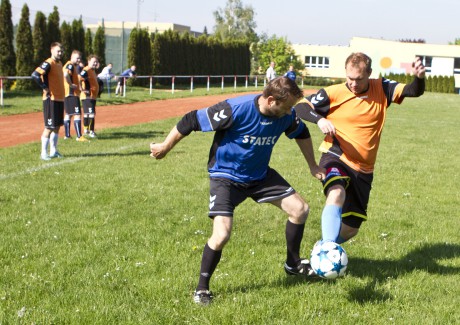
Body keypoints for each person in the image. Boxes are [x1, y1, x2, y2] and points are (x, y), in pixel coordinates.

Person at [150, 77, 325, 306]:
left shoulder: (286, 116)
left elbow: (300, 133)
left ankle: (292, 264)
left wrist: (313, 165)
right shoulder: (235, 109)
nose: (291, 112)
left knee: (300, 209)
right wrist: (165, 146)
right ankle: (202, 289)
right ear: (271, 100)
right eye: (288, 106)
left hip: (260, 176)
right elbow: (191, 119)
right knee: (222, 234)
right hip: (226, 178)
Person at [294, 52, 426, 253]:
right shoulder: (334, 93)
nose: (353, 84)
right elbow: (301, 107)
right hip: (336, 156)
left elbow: (413, 91)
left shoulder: (382, 88)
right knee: (336, 192)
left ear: (369, 73)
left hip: (364, 169)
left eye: (359, 79)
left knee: (350, 229)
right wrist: (319, 119)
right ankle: (328, 253)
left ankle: (322, 249)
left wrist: (419, 78)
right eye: (349, 78)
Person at [31, 42, 66, 160]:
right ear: (52, 50)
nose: (60, 53)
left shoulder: (60, 63)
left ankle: (53, 151)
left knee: (57, 127)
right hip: (50, 99)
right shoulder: (48, 63)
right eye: (58, 51)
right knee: (49, 127)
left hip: (59, 99)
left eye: (61, 51)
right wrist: (45, 88)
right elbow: (35, 75)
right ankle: (43, 153)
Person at [62, 50, 88, 142]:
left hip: (67, 93)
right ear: (71, 57)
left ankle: (67, 135)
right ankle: (79, 136)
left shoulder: (71, 65)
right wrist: (71, 84)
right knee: (77, 114)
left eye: (79, 59)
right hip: (72, 93)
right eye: (77, 58)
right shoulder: (70, 65)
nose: (78, 60)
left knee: (68, 114)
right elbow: (65, 74)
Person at [79, 55, 100, 138]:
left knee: (87, 114)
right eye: (93, 62)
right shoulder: (86, 70)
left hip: (92, 96)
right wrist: (81, 89)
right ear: (88, 62)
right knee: (91, 113)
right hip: (88, 96)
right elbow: (79, 78)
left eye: (96, 62)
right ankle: (91, 131)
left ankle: (86, 130)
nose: (95, 63)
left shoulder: (92, 71)